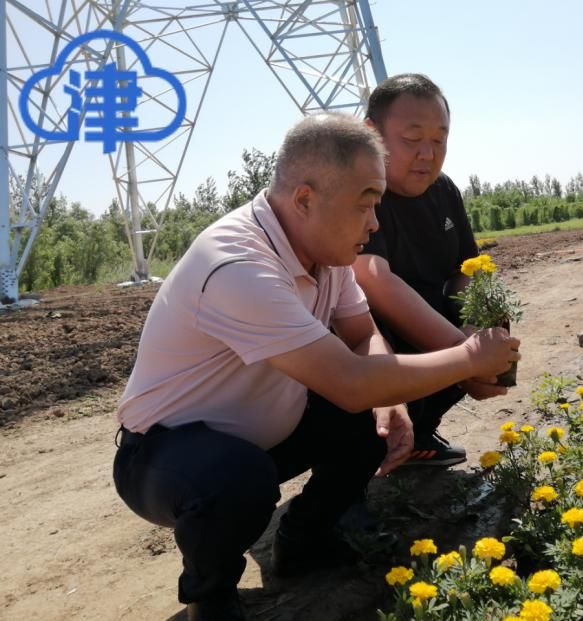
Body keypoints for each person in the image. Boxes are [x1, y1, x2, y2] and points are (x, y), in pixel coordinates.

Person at [112, 114, 519, 621]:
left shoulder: (326, 254)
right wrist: (468, 357)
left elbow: (361, 333)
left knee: (371, 418)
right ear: (305, 199)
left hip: (265, 430)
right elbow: (349, 382)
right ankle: (209, 596)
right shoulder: (239, 265)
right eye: (366, 203)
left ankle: (304, 538)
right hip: (165, 456)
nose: (375, 222)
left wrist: (389, 402)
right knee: (237, 481)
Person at [355, 74, 503, 467]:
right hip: (374, 333)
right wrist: (465, 354)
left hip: (432, 327)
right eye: (412, 138)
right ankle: (367, 454)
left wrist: (478, 325)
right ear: (373, 134)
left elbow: (465, 271)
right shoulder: (362, 193)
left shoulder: (444, 191)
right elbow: (372, 278)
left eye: (439, 139)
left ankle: (420, 433)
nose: (428, 153)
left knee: (493, 318)